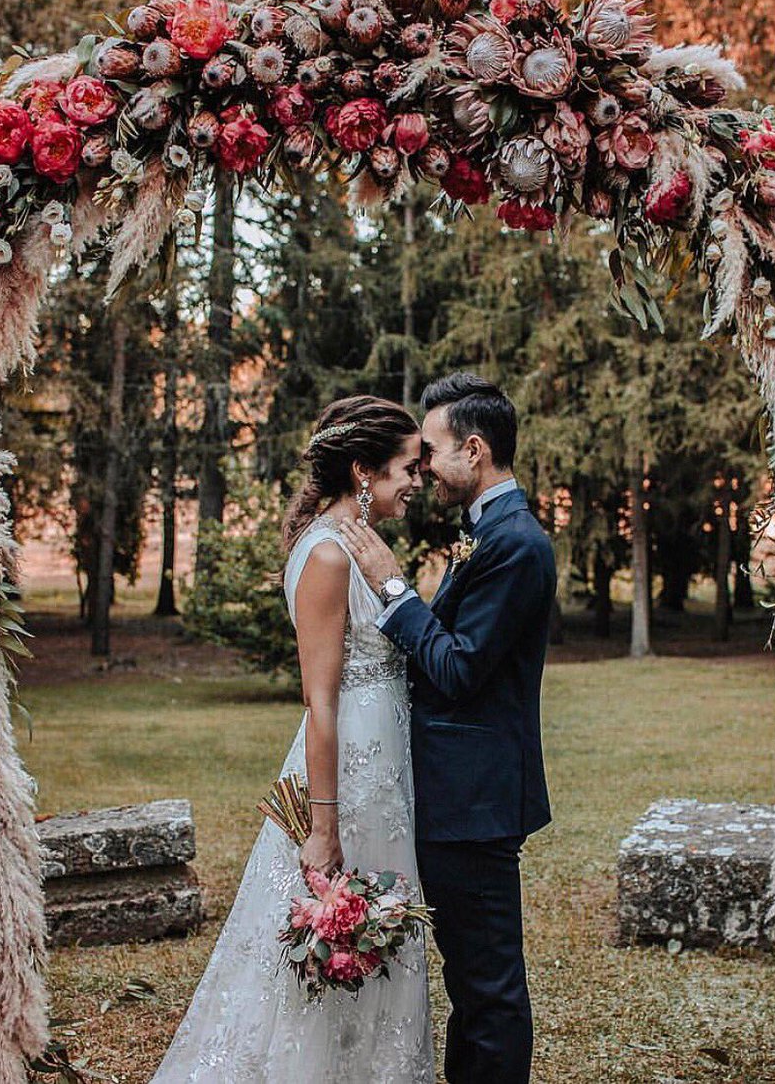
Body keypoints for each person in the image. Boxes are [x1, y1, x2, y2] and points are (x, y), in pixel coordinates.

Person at [150, 395, 434, 1083]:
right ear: (364, 470)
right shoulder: (330, 556)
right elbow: (320, 698)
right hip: (348, 780)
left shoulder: (359, 550)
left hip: (385, 772)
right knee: (339, 933)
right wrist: (323, 824)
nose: (419, 480)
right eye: (408, 467)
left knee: (380, 933)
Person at [338, 372, 556, 1084]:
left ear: (474, 448)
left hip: (476, 803)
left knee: (489, 987)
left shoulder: (516, 543)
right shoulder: (487, 533)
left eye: (429, 451)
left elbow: (460, 670)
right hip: (456, 798)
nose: (422, 465)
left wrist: (397, 590)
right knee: (471, 980)